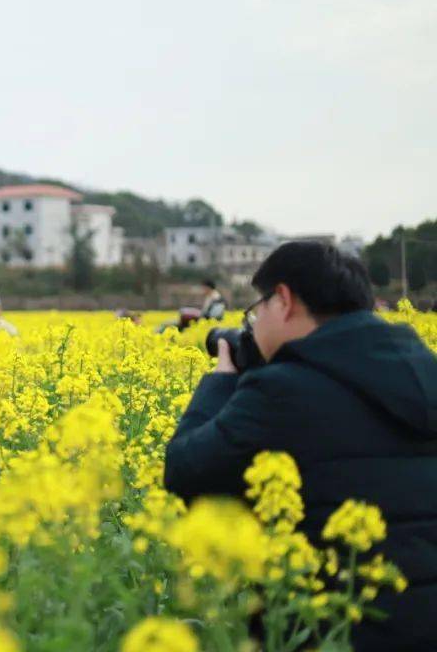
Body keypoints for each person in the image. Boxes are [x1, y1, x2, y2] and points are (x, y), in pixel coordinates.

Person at [163, 241, 437, 651]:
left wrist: (220, 382)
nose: (253, 325)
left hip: (335, 629)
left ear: (285, 300)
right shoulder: (425, 372)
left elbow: (187, 473)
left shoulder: (282, 391)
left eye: (258, 310)